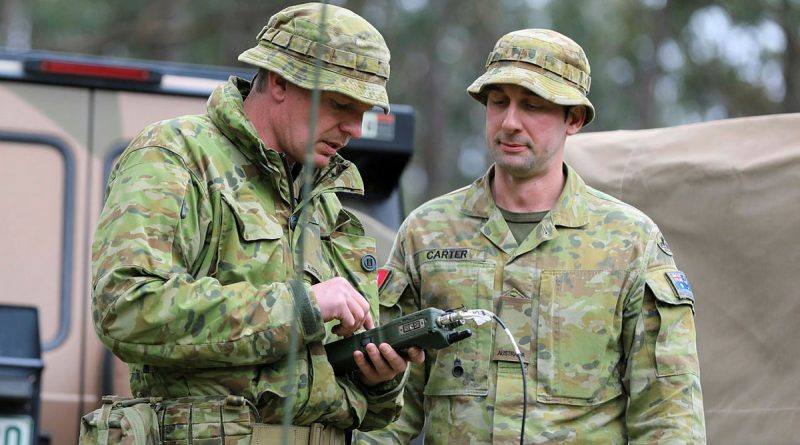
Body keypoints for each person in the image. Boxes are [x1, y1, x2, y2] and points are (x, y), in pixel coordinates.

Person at [89, 3, 422, 444]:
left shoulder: (322, 201)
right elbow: (125, 308)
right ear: (280, 81)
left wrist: (379, 376)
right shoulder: (177, 156)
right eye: (341, 103)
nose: (355, 129)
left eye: (364, 110)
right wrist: (302, 306)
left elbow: (360, 407)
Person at [355, 29, 705, 444]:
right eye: (498, 102)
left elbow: (668, 411)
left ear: (573, 119)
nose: (510, 122)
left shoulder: (629, 241)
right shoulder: (426, 232)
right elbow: (389, 411)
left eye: (533, 106)